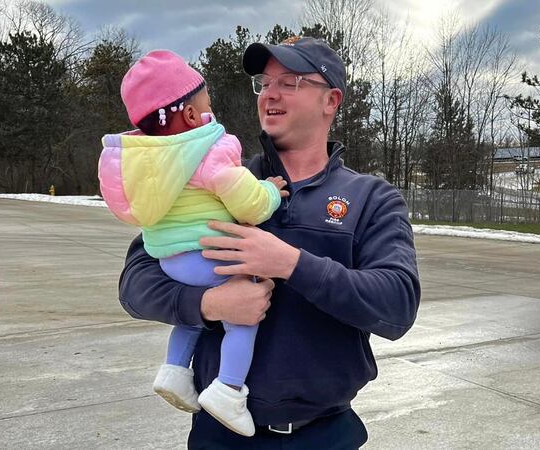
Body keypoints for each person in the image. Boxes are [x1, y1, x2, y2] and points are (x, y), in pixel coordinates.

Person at [118, 36, 420, 449]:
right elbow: (135, 284)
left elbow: (397, 306)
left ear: (331, 100)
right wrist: (209, 305)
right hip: (220, 433)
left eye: (290, 81)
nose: (270, 94)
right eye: (264, 82)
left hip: (326, 434)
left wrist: (291, 263)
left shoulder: (372, 198)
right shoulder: (215, 178)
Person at [99, 49, 287, 436]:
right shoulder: (208, 149)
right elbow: (248, 204)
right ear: (189, 114)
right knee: (243, 316)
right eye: (207, 102)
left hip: (170, 260)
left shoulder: (146, 161)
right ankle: (229, 389)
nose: (211, 110)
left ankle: (173, 370)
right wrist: (269, 191)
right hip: (207, 254)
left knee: (195, 318)